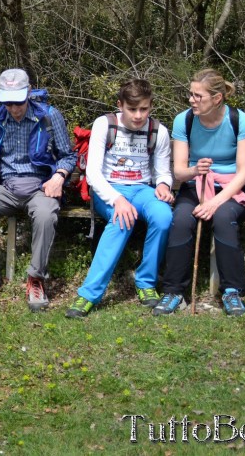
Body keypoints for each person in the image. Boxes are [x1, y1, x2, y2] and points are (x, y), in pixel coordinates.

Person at [0, 68, 77, 311]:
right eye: (8, 102)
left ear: (30, 93)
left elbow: (68, 156)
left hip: (41, 188)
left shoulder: (49, 116)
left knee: (45, 215)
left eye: (18, 101)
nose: (14, 108)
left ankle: (36, 280)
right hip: (7, 187)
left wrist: (59, 176)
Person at [65, 79, 174, 318]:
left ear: (151, 106)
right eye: (132, 109)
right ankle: (89, 294)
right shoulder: (105, 124)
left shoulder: (159, 131)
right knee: (122, 219)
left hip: (143, 189)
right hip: (109, 189)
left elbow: (163, 172)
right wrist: (117, 199)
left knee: (164, 216)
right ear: (120, 105)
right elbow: (93, 174)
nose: (138, 115)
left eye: (143, 109)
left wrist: (165, 185)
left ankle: (146, 283)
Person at [153, 69, 245, 316]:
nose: (192, 100)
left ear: (217, 99)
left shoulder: (240, 121)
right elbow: (179, 172)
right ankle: (173, 292)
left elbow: (243, 173)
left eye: (198, 96)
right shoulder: (184, 120)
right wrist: (194, 170)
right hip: (197, 185)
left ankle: (232, 292)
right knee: (180, 219)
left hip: (233, 189)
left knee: (223, 217)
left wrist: (216, 202)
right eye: (190, 94)